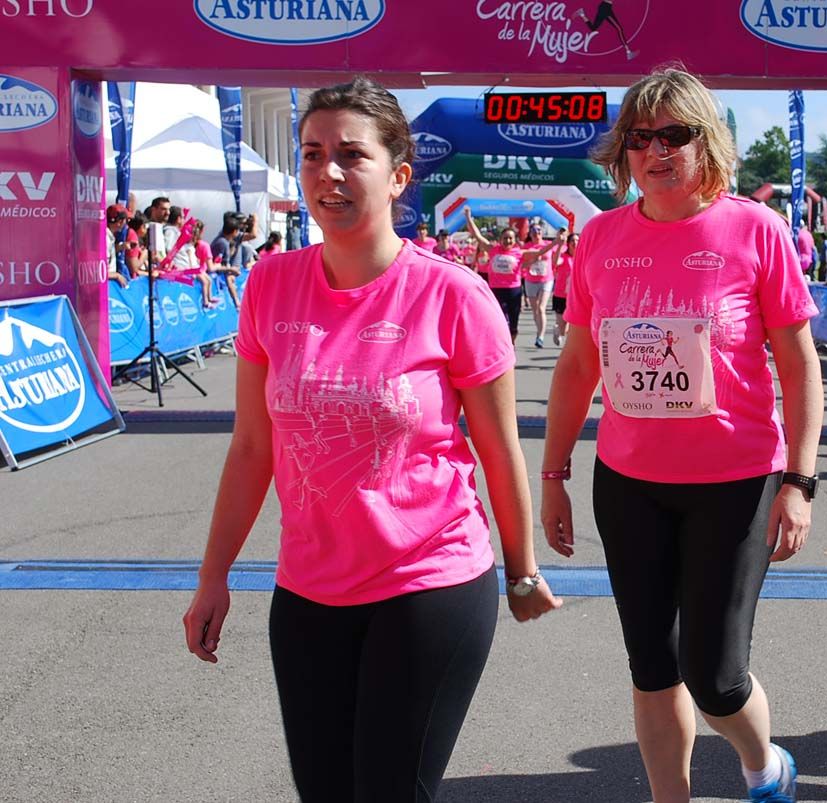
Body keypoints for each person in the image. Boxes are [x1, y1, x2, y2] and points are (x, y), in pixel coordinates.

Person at [182, 76, 560, 803]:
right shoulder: (269, 284)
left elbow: (497, 447)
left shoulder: (453, 294)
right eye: (314, 153)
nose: (329, 172)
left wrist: (520, 569)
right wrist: (213, 575)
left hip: (429, 582)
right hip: (307, 589)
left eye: (352, 155)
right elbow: (252, 448)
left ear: (398, 176)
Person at [542, 66, 824, 803]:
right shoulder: (601, 237)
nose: (655, 150)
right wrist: (552, 474)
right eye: (641, 137)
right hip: (629, 482)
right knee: (651, 665)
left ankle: (765, 764)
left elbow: (798, 365)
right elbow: (577, 365)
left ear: (709, 142)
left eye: (675, 134)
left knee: (715, 674)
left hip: (735, 484)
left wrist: (799, 481)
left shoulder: (755, 230)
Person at [463, 207, 538, 346]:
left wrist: (556, 242)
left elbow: (539, 253)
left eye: (510, 238)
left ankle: (511, 344)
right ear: (500, 239)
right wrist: (468, 217)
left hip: (514, 291)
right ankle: (501, 345)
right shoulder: (492, 250)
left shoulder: (519, 253)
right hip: (497, 290)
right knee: (500, 320)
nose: (508, 241)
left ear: (514, 240)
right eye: (505, 238)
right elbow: (477, 235)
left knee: (513, 325)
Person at [522, 225, 561, 347]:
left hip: (546, 280)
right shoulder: (527, 247)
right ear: (530, 234)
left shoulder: (548, 245)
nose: (536, 233)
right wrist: (533, 261)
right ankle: (539, 330)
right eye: (534, 231)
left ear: (541, 233)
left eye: (539, 231)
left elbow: (556, 259)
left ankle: (541, 336)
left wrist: (559, 245)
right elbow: (522, 265)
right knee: (535, 311)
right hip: (531, 280)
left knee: (541, 308)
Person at [551, 230, 577, 346]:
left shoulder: (581, 257)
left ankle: (567, 344)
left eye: (577, 241)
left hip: (575, 297)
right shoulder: (564, 257)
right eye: (572, 240)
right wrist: (560, 245)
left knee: (570, 323)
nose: (575, 243)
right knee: (562, 325)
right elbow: (555, 262)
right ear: (568, 243)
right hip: (560, 295)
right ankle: (557, 330)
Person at [105, 204, 130, 288]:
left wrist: (120, 247)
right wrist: (116, 275)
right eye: (126, 220)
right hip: (106, 287)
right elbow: (100, 271)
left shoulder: (108, 236)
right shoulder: (105, 239)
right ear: (120, 222)